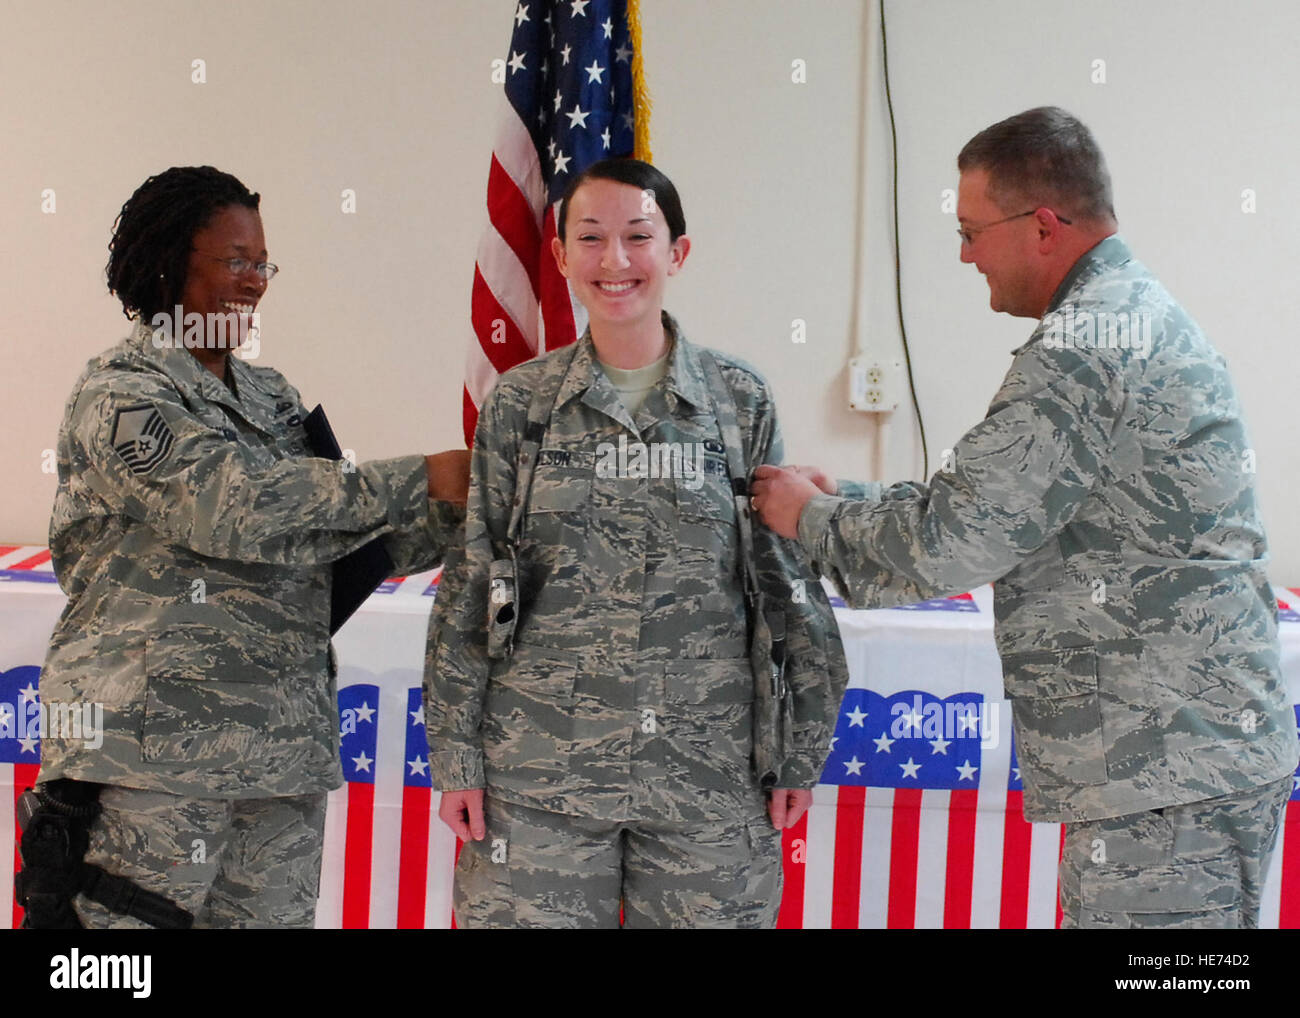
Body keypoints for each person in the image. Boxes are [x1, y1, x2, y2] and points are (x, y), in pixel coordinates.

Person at [752, 107, 1298, 929]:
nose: (966, 254)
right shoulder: (1126, 312)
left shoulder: (1084, 347)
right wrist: (841, 502)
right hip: (1184, 761)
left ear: (1043, 226)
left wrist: (811, 522)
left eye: (972, 231)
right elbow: (1007, 506)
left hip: (1163, 774)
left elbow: (953, 537)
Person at [25, 166, 469, 929]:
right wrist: (418, 476)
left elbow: (338, 544)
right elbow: (231, 507)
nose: (256, 281)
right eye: (236, 261)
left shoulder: (272, 399)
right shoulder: (121, 395)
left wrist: (466, 508)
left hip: (280, 761)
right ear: (169, 261)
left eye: (263, 264)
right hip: (152, 763)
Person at [424, 158, 847, 928]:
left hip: (708, 775)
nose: (614, 261)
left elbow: (783, 585)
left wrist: (797, 749)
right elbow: (472, 578)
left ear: (677, 253)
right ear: (559, 257)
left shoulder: (737, 401)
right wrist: (456, 756)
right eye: (590, 238)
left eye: (637, 237)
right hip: (540, 773)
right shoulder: (522, 405)